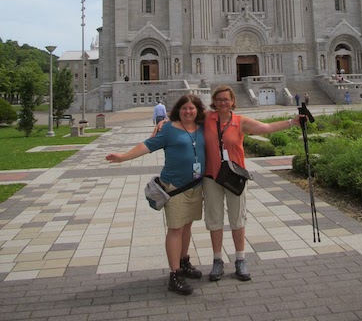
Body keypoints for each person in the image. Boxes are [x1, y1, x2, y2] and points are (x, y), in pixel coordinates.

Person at [106, 95, 206, 296]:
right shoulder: (168, 129)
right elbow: (147, 145)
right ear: (177, 110)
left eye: (192, 108)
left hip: (195, 186)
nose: (188, 112)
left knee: (187, 226)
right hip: (175, 187)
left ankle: (184, 261)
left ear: (198, 110)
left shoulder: (202, 127)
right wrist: (123, 157)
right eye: (184, 108)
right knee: (176, 228)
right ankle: (175, 274)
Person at [203, 85, 304, 282]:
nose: (223, 103)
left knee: (237, 218)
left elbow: (265, 128)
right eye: (219, 99)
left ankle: (240, 259)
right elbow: (185, 117)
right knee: (214, 219)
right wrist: (163, 122)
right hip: (211, 177)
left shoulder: (239, 121)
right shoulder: (207, 119)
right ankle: (217, 260)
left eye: (226, 99)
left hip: (234, 176)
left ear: (233, 101)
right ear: (214, 101)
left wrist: (292, 122)